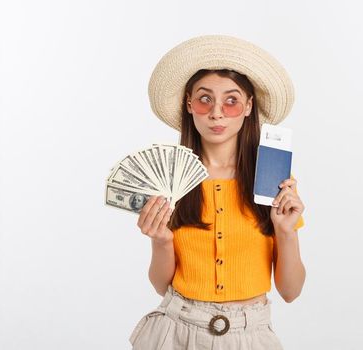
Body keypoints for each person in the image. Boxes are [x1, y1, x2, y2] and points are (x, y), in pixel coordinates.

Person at [129, 35, 307, 350]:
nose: (217, 113)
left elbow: (291, 291)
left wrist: (286, 232)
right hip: (176, 332)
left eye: (231, 100)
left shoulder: (273, 181)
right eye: (205, 99)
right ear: (188, 103)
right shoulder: (172, 180)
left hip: (250, 336)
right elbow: (161, 285)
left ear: (249, 106)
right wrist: (161, 241)